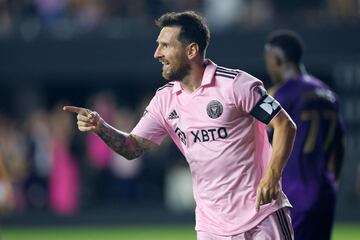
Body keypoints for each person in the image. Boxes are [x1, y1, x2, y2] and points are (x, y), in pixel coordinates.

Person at [64, 11, 297, 240]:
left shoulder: (235, 85)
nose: (157, 54)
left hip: (261, 216)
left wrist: (272, 176)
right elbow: (131, 147)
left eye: (165, 45)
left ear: (192, 50)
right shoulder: (165, 100)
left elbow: (285, 125)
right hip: (211, 227)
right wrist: (101, 126)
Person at [264, 30, 345, 240]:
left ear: (277, 60)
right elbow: (339, 146)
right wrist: (331, 181)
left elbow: (262, 136)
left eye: (269, 61)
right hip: (325, 192)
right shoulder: (329, 94)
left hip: (295, 192)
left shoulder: (281, 94)